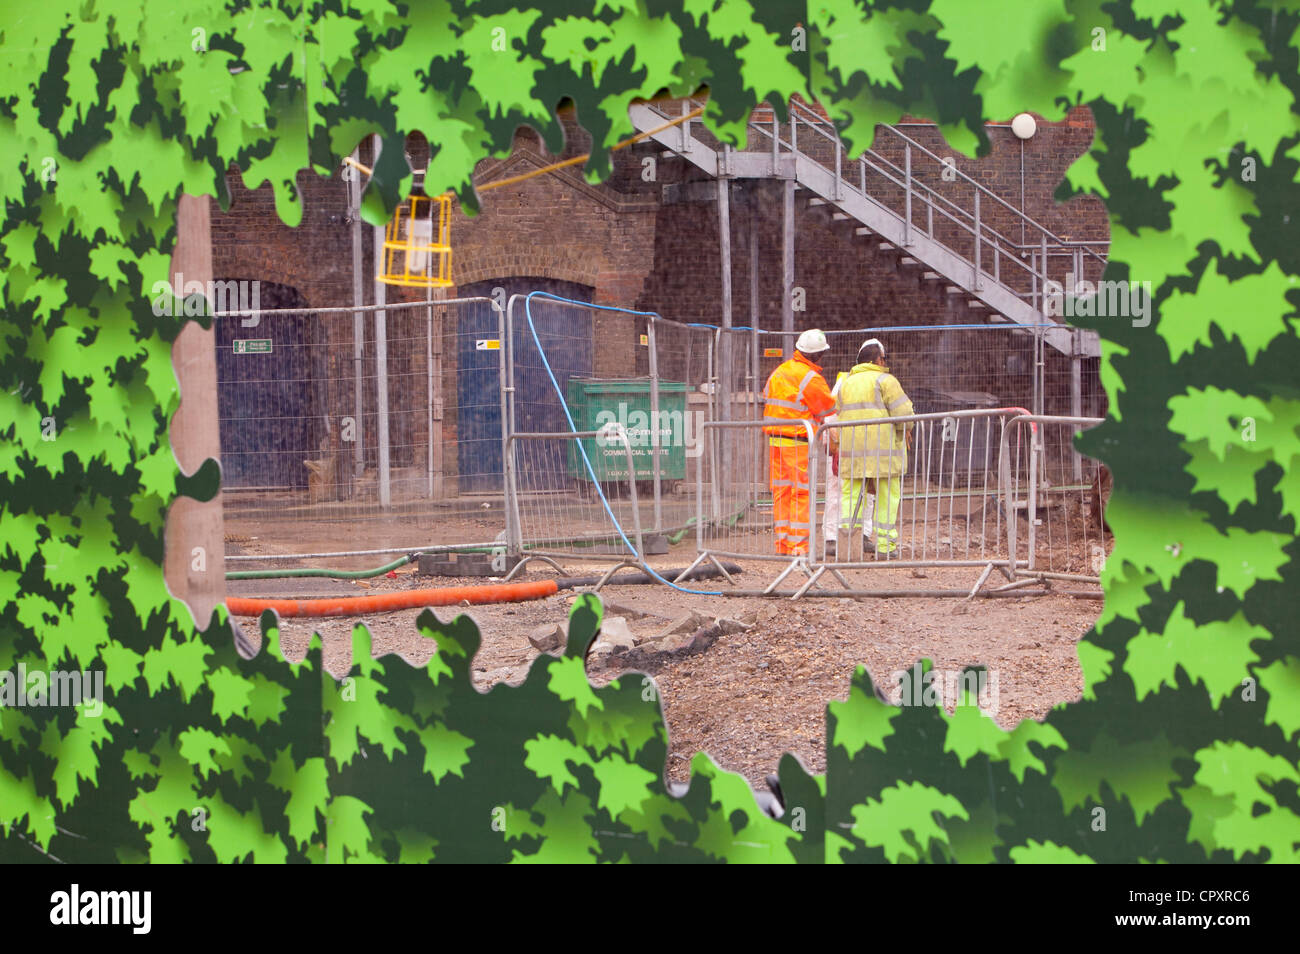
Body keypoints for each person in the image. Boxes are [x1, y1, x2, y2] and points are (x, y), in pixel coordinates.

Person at [836, 338, 913, 556]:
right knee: (887, 499)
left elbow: (839, 412)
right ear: (878, 359)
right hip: (883, 453)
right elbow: (904, 415)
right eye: (884, 358)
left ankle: (848, 549)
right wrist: (908, 427)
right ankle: (885, 548)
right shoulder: (885, 380)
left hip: (853, 454)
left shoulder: (846, 384)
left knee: (850, 499)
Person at [762, 329, 836, 556]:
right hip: (797, 442)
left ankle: (782, 545)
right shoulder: (811, 378)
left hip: (776, 442)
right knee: (800, 494)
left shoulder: (780, 371)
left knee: (781, 492)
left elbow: (766, 395)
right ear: (818, 355)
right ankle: (799, 548)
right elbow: (828, 409)